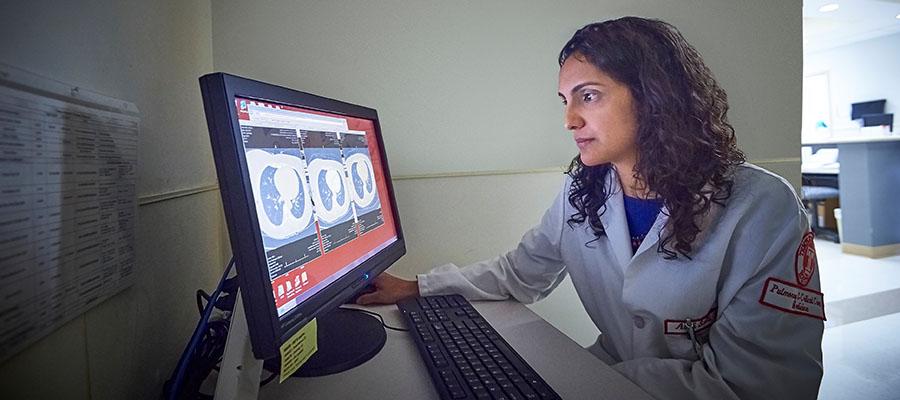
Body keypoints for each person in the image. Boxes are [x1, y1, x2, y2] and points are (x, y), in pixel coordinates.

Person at [357, 17, 824, 399]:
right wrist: (416, 286)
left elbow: (762, 387)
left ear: (654, 96)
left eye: (589, 95)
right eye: (566, 100)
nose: (569, 119)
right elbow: (519, 274)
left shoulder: (761, 208)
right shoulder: (586, 190)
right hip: (609, 375)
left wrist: (578, 381)